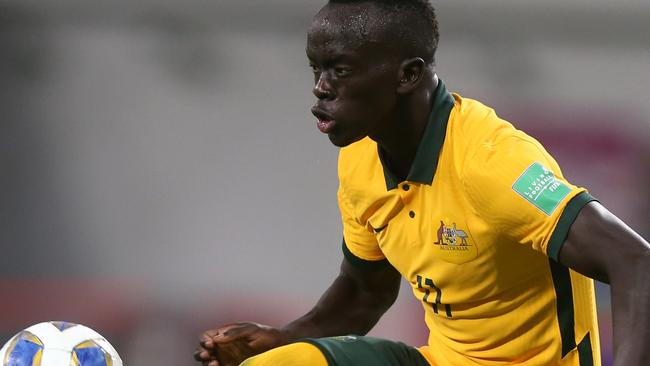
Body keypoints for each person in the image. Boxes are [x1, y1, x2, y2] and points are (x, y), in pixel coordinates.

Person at [194, 0, 650, 365]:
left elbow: (634, 260)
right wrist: (280, 337)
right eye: (316, 69)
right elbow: (365, 293)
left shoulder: (493, 162)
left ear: (408, 75)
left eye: (341, 69)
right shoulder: (359, 159)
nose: (320, 87)